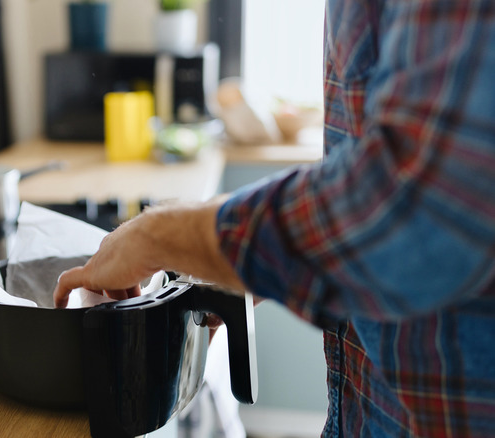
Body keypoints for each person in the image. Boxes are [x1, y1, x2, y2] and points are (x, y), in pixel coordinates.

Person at [54, 0, 495, 435]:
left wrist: (158, 236)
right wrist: (236, 260)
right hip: (367, 405)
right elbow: (371, 156)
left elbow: (416, 205)